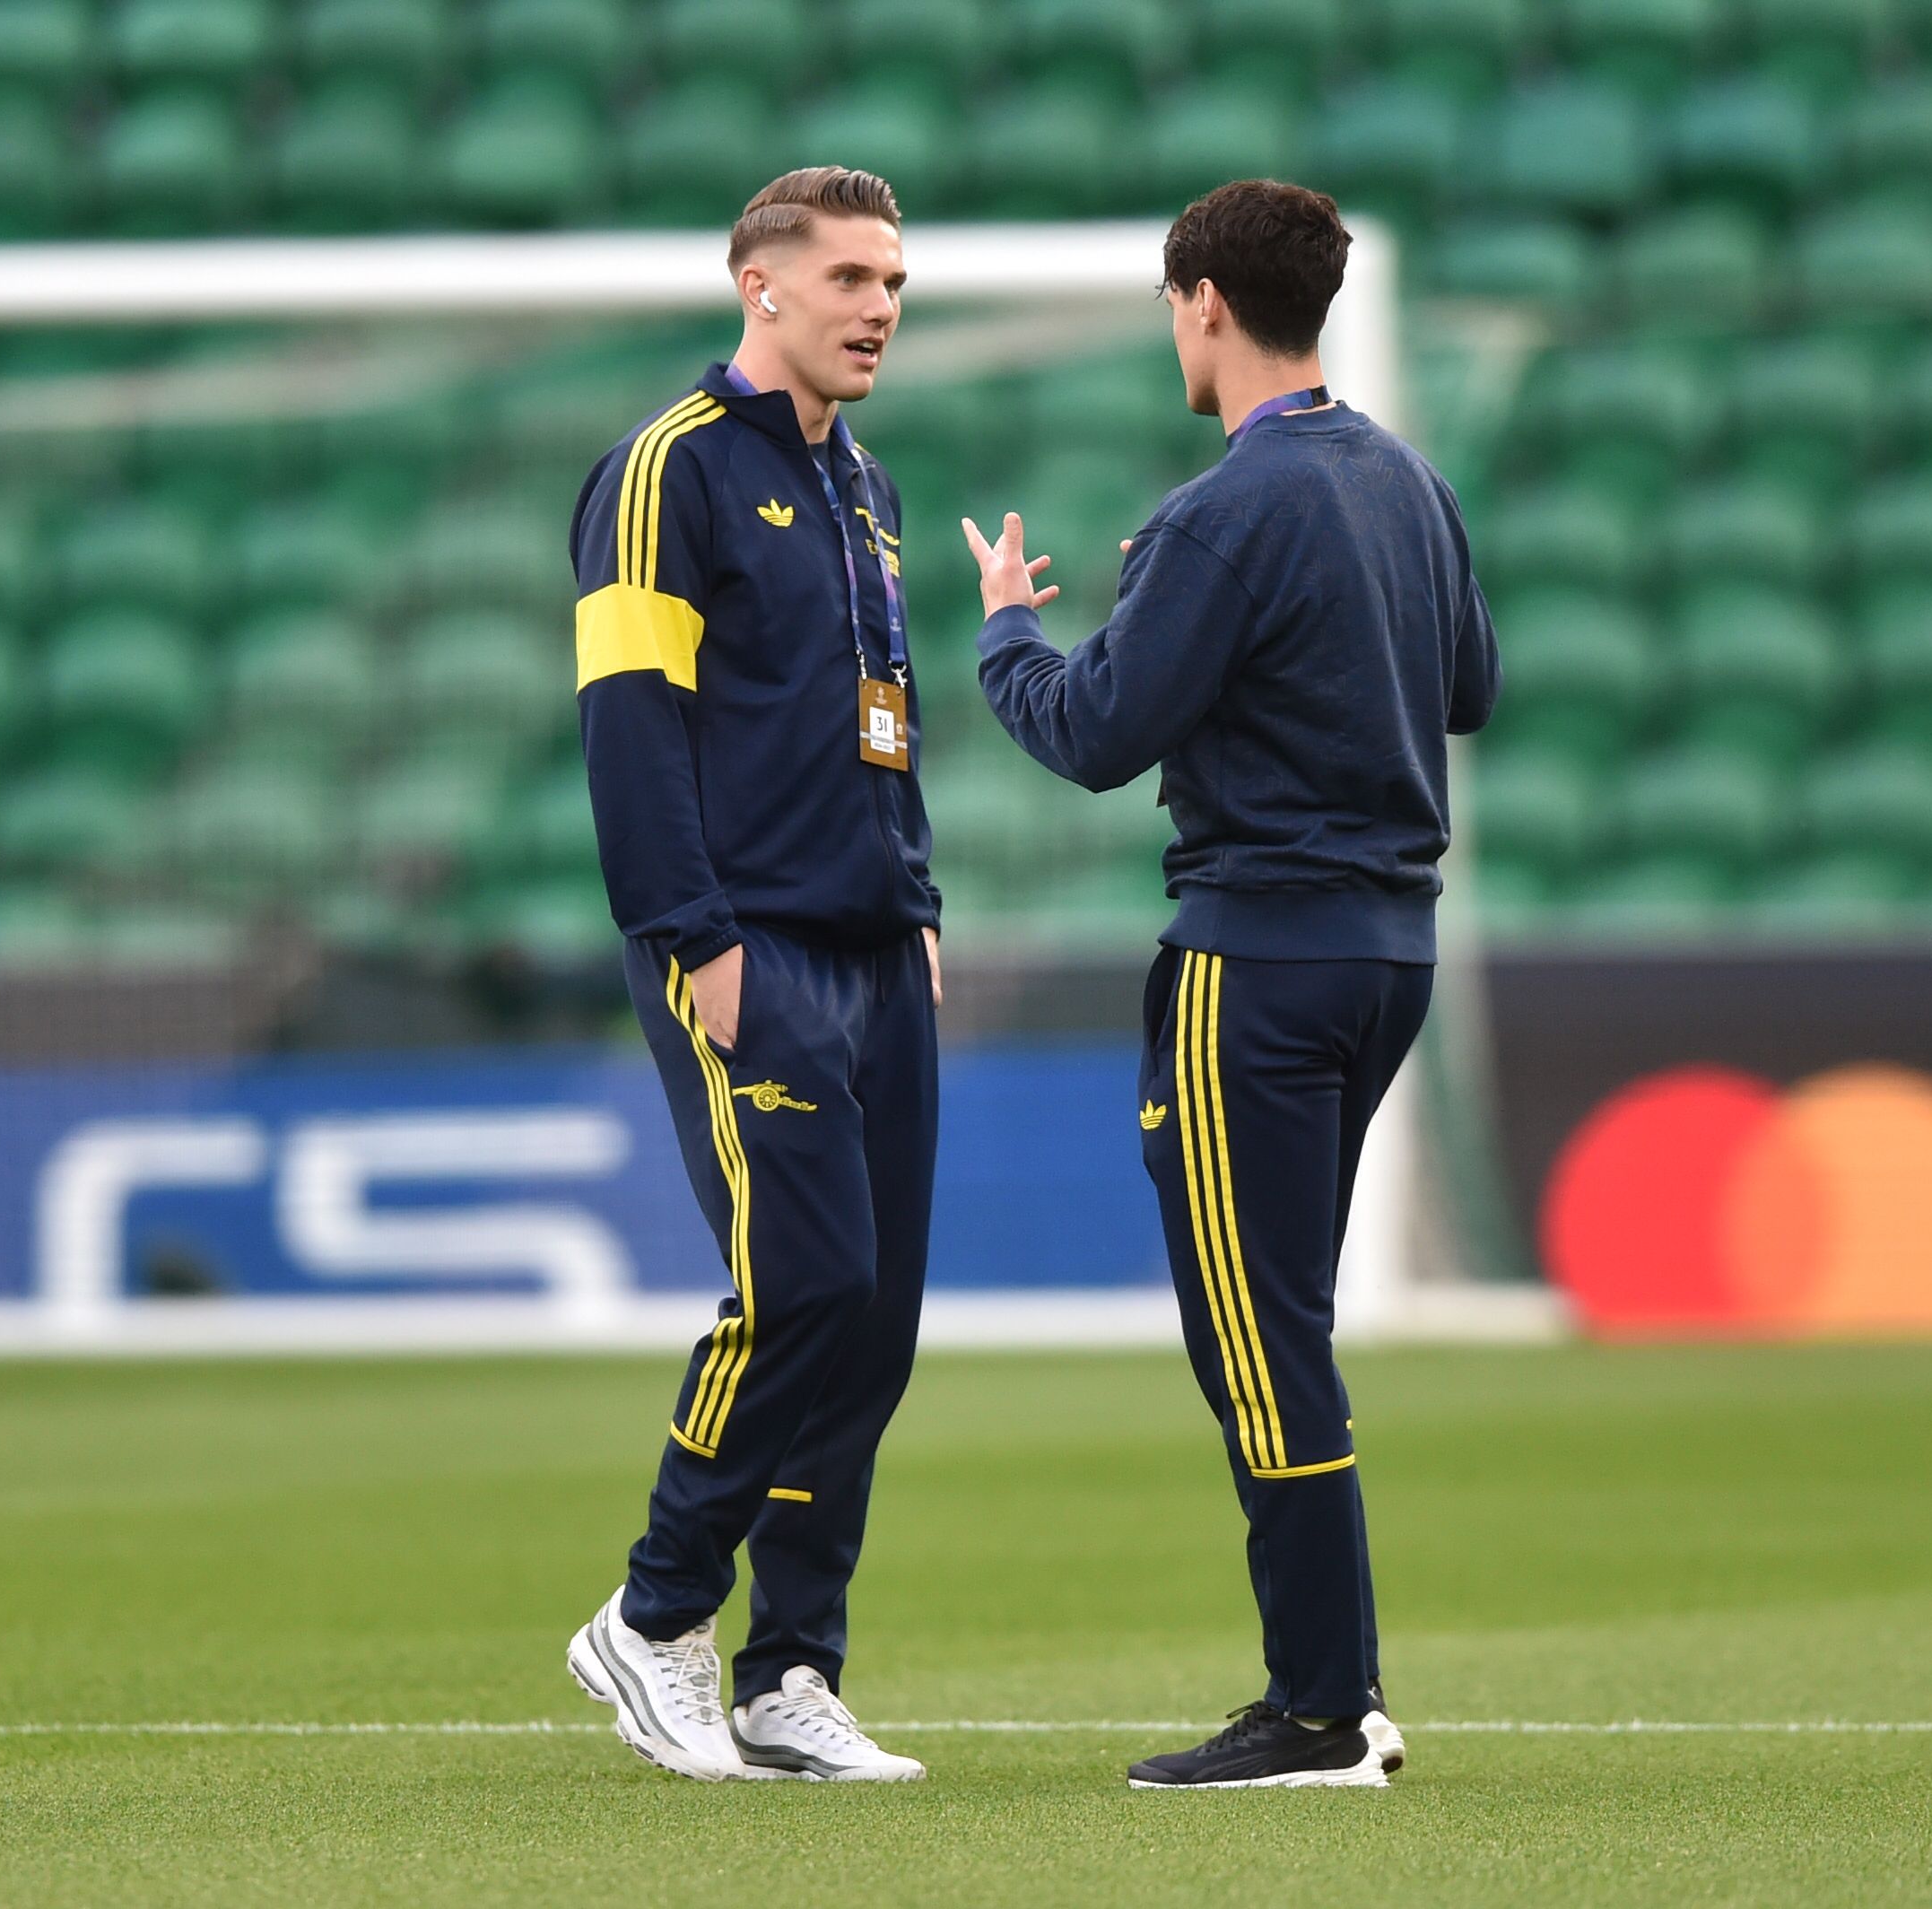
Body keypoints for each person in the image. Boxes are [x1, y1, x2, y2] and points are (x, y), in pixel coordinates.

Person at [962, 179, 1497, 1790]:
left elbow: (1094, 734)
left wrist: (1005, 634)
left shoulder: (1222, 512)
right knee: (1288, 1326)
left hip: (1256, 959)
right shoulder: (1409, 483)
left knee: (1259, 1341)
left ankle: (1323, 1708)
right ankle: (1332, 1690)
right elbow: (1470, 687)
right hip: (1390, 956)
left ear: (1203, 302)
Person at [561, 166, 938, 1784]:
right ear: (759, 284)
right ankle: (653, 1617)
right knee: (807, 1287)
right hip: (746, 946)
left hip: (879, 947)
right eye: (850, 277)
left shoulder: (867, 484)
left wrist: (918, 900)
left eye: (894, 282)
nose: (879, 307)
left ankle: (791, 1671)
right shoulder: (666, 470)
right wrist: (694, 935)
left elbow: (882, 709)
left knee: (875, 1328)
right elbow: (629, 721)